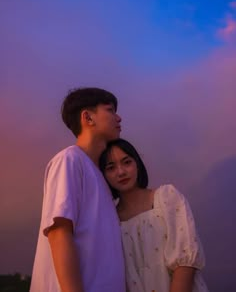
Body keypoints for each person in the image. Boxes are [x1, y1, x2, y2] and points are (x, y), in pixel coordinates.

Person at [30, 88, 126, 292]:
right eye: (110, 110)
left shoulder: (100, 175)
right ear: (88, 117)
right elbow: (59, 232)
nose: (119, 118)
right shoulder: (69, 160)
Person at [99, 138, 209, 292]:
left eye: (127, 162)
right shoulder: (110, 219)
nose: (121, 172)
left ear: (137, 163)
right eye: (111, 167)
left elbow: (185, 263)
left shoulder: (167, 198)